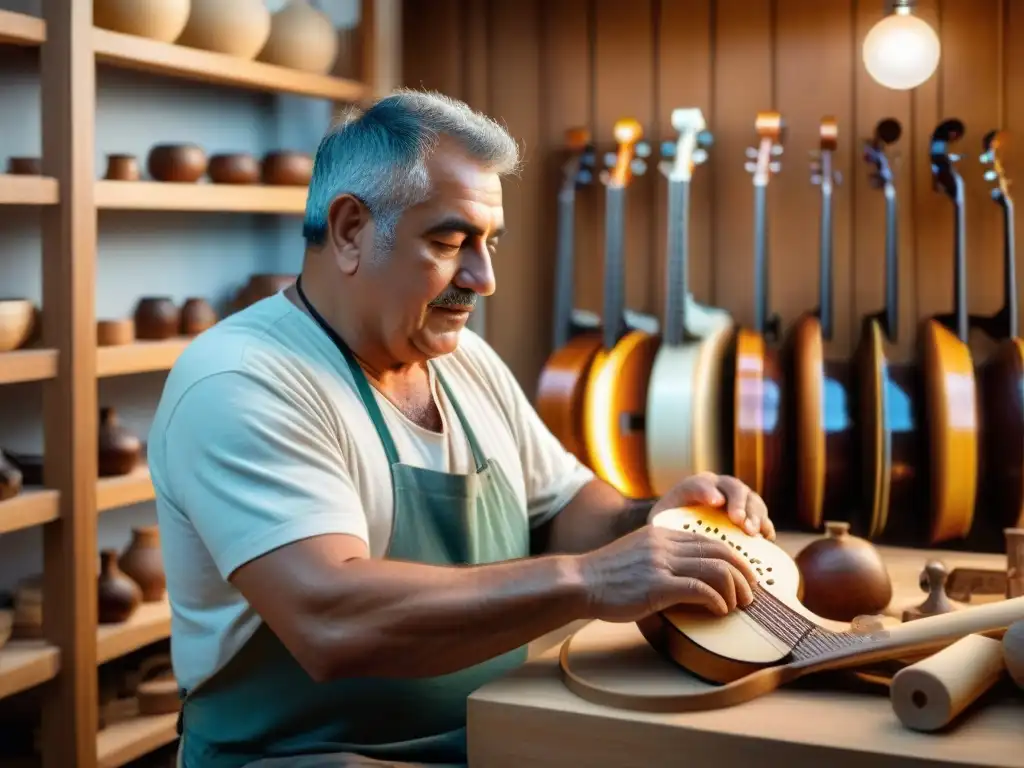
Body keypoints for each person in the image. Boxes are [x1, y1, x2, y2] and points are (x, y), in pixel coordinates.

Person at [148, 89, 775, 768]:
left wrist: (660, 525)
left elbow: (564, 507)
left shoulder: (460, 358)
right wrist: (588, 581)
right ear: (351, 229)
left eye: (489, 242)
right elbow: (329, 617)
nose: (485, 277)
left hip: (489, 739)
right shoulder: (243, 380)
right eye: (450, 242)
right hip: (303, 757)